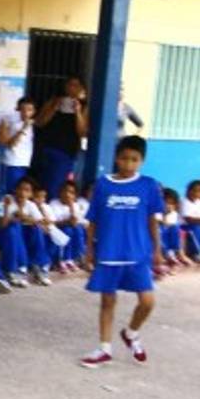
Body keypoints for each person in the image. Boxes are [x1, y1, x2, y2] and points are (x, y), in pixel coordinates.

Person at [79, 136, 163, 369]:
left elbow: (152, 220)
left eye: (134, 160)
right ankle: (104, 348)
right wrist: (89, 250)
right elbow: (93, 220)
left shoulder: (149, 185)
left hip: (138, 253)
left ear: (142, 161)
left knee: (147, 301)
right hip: (108, 251)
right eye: (124, 158)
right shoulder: (103, 185)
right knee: (107, 301)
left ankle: (131, 333)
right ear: (116, 158)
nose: (128, 165)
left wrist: (157, 249)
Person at [34, 76, 89, 198]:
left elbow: (82, 132)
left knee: (56, 184)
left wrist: (78, 112)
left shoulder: (83, 106)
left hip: (66, 151)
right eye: (69, 84)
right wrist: (54, 108)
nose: (71, 88)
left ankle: (51, 208)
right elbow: (39, 122)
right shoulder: (55, 100)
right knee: (42, 182)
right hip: (47, 147)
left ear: (81, 88)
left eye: (75, 85)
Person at [0, 176, 51, 287]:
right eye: (21, 189)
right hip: (7, 237)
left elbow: (42, 223)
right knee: (14, 227)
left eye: (27, 190)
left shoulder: (30, 205)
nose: (23, 193)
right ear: (15, 190)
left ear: (31, 194)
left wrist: (24, 216)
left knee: (36, 229)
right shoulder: (8, 200)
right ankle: (13, 270)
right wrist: (7, 210)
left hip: (24, 239)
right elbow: (2, 225)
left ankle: (39, 267)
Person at [0, 96, 35, 197]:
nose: (26, 113)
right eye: (22, 110)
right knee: (9, 193)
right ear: (17, 110)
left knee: (19, 194)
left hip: (24, 163)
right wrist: (23, 129)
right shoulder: (12, 124)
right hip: (11, 163)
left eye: (29, 110)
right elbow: (11, 144)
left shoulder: (31, 124)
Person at [49, 180, 87, 272]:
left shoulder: (75, 205)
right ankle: (62, 260)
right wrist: (67, 221)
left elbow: (74, 222)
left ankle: (72, 258)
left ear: (75, 196)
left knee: (78, 229)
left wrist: (71, 207)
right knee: (68, 230)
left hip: (70, 229)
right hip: (57, 231)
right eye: (65, 191)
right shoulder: (54, 203)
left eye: (71, 193)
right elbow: (54, 223)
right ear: (60, 192)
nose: (67, 194)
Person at [158, 188, 191, 268]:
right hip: (159, 234)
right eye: (166, 202)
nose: (168, 205)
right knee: (160, 231)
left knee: (177, 229)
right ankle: (165, 255)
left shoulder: (174, 214)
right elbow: (160, 224)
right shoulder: (156, 212)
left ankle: (176, 253)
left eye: (171, 203)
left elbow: (176, 224)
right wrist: (164, 215)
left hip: (170, 234)